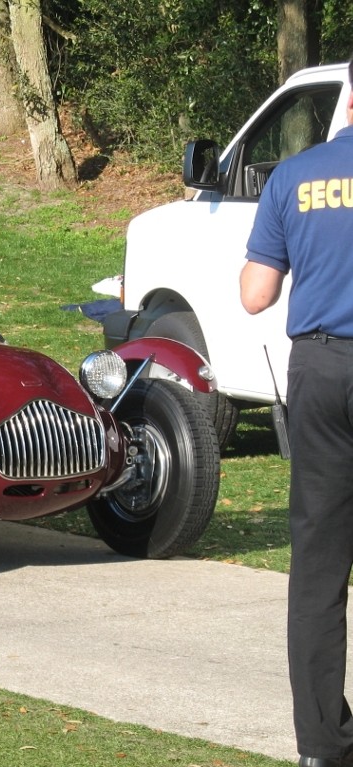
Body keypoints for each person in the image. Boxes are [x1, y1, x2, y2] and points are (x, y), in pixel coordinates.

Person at [240, 53, 353, 767]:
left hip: (321, 370)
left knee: (318, 564)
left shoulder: (294, 174)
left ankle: (320, 745)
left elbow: (254, 293)